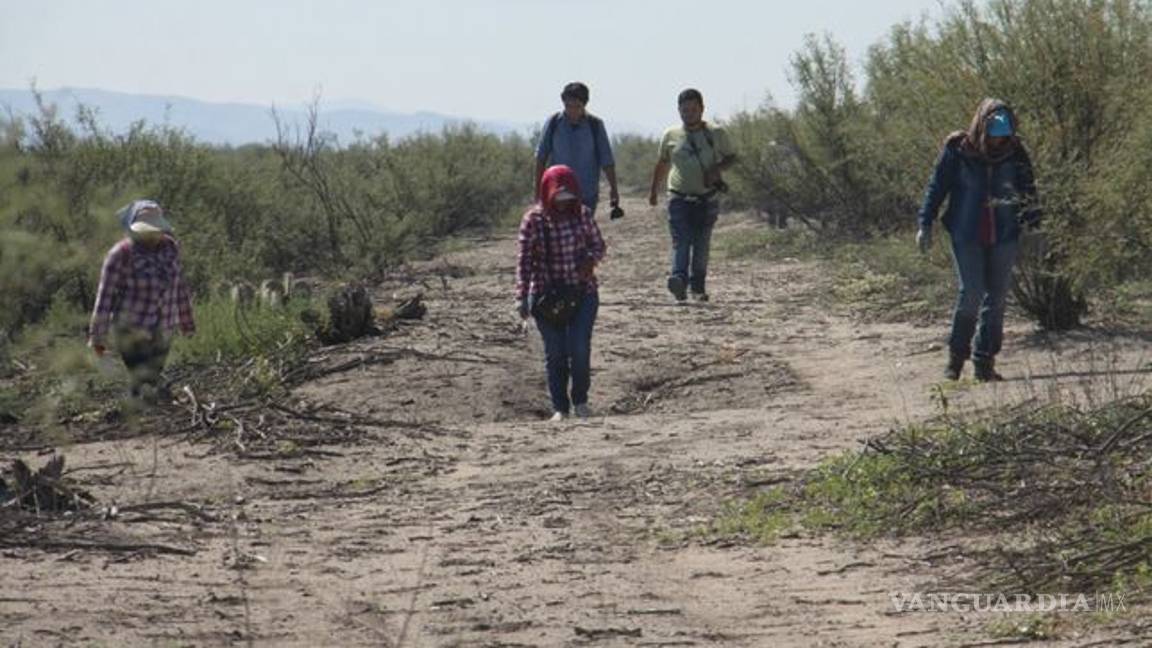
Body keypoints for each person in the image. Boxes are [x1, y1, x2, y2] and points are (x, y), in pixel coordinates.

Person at [916, 98, 1041, 382]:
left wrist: (1035, 225)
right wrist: (925, 222)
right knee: (971, 293)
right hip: (966, 232)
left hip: (1005, 233)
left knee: (996, 299)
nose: (1000, 142)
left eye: (1005, 136)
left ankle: (984, 362)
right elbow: (937, 188)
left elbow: (1028, 190)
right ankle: (955, 360)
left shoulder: (1016, 152)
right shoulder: (958, 150)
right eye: (996, 136)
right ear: (982, 126)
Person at [517, 165, 607, 421]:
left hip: (583, 294)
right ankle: (560, 407)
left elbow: (599, 245)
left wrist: (590, 260)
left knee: (579, 348)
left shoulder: (583, 215)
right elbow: (523, 261)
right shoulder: (533, 221)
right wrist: (521, 297)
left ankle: (580, 401)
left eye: (568, 195)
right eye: (559, 195)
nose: (564, 202)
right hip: (545, 297)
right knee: (555, 353)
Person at [89, 200, 196, 402]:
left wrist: (186, 322)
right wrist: (98, 337)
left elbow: (179, 286)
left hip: (164, 326)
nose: (152, 235)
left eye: (156, 230)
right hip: (131, 327)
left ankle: (146, 414)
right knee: (142, 376)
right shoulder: (120, 255)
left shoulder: (170, 248)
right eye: (147, 230)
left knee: (151, 375)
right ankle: (139, 415)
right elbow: (105, 297)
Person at [648, 88, 738, 303]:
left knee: (701, 244)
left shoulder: (716, 133)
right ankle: (678, 280)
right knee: (681, 240)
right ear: (679, 110)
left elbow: (732, 157)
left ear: (702, 109)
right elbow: (662, 163)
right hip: (678, 197)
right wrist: (653, 190)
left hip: (706, 199)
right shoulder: (670, 135)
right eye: (684, 110)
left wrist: (716, 170)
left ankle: (698, 287)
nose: (689, 114)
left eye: (693, 109)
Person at [535, 82, 620, 218]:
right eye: (569, 106)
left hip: (586, 194)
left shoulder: (595, 125)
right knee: (560, 234)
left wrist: (614, 189)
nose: (572, 110)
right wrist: (539, 192)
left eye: (577, 106)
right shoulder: (554, 123)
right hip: (557, 193)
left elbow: (607, 160)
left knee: (582, 233)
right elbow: (541, 157)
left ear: (584, 105)